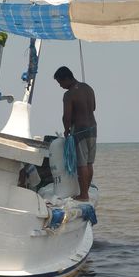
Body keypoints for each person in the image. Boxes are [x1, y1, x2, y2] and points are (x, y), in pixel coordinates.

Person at [54, 66, 96, 200]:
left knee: (81, 164)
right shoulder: (88, 88)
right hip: (93, 128)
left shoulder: (69, 94)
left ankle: (83, 195)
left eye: (60, 83)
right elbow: (93, 107)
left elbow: (66, 116)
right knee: (89, 163)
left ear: (66, 79)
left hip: (80, 130)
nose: (60, 86)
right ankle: (86, 192)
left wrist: (66, 130)